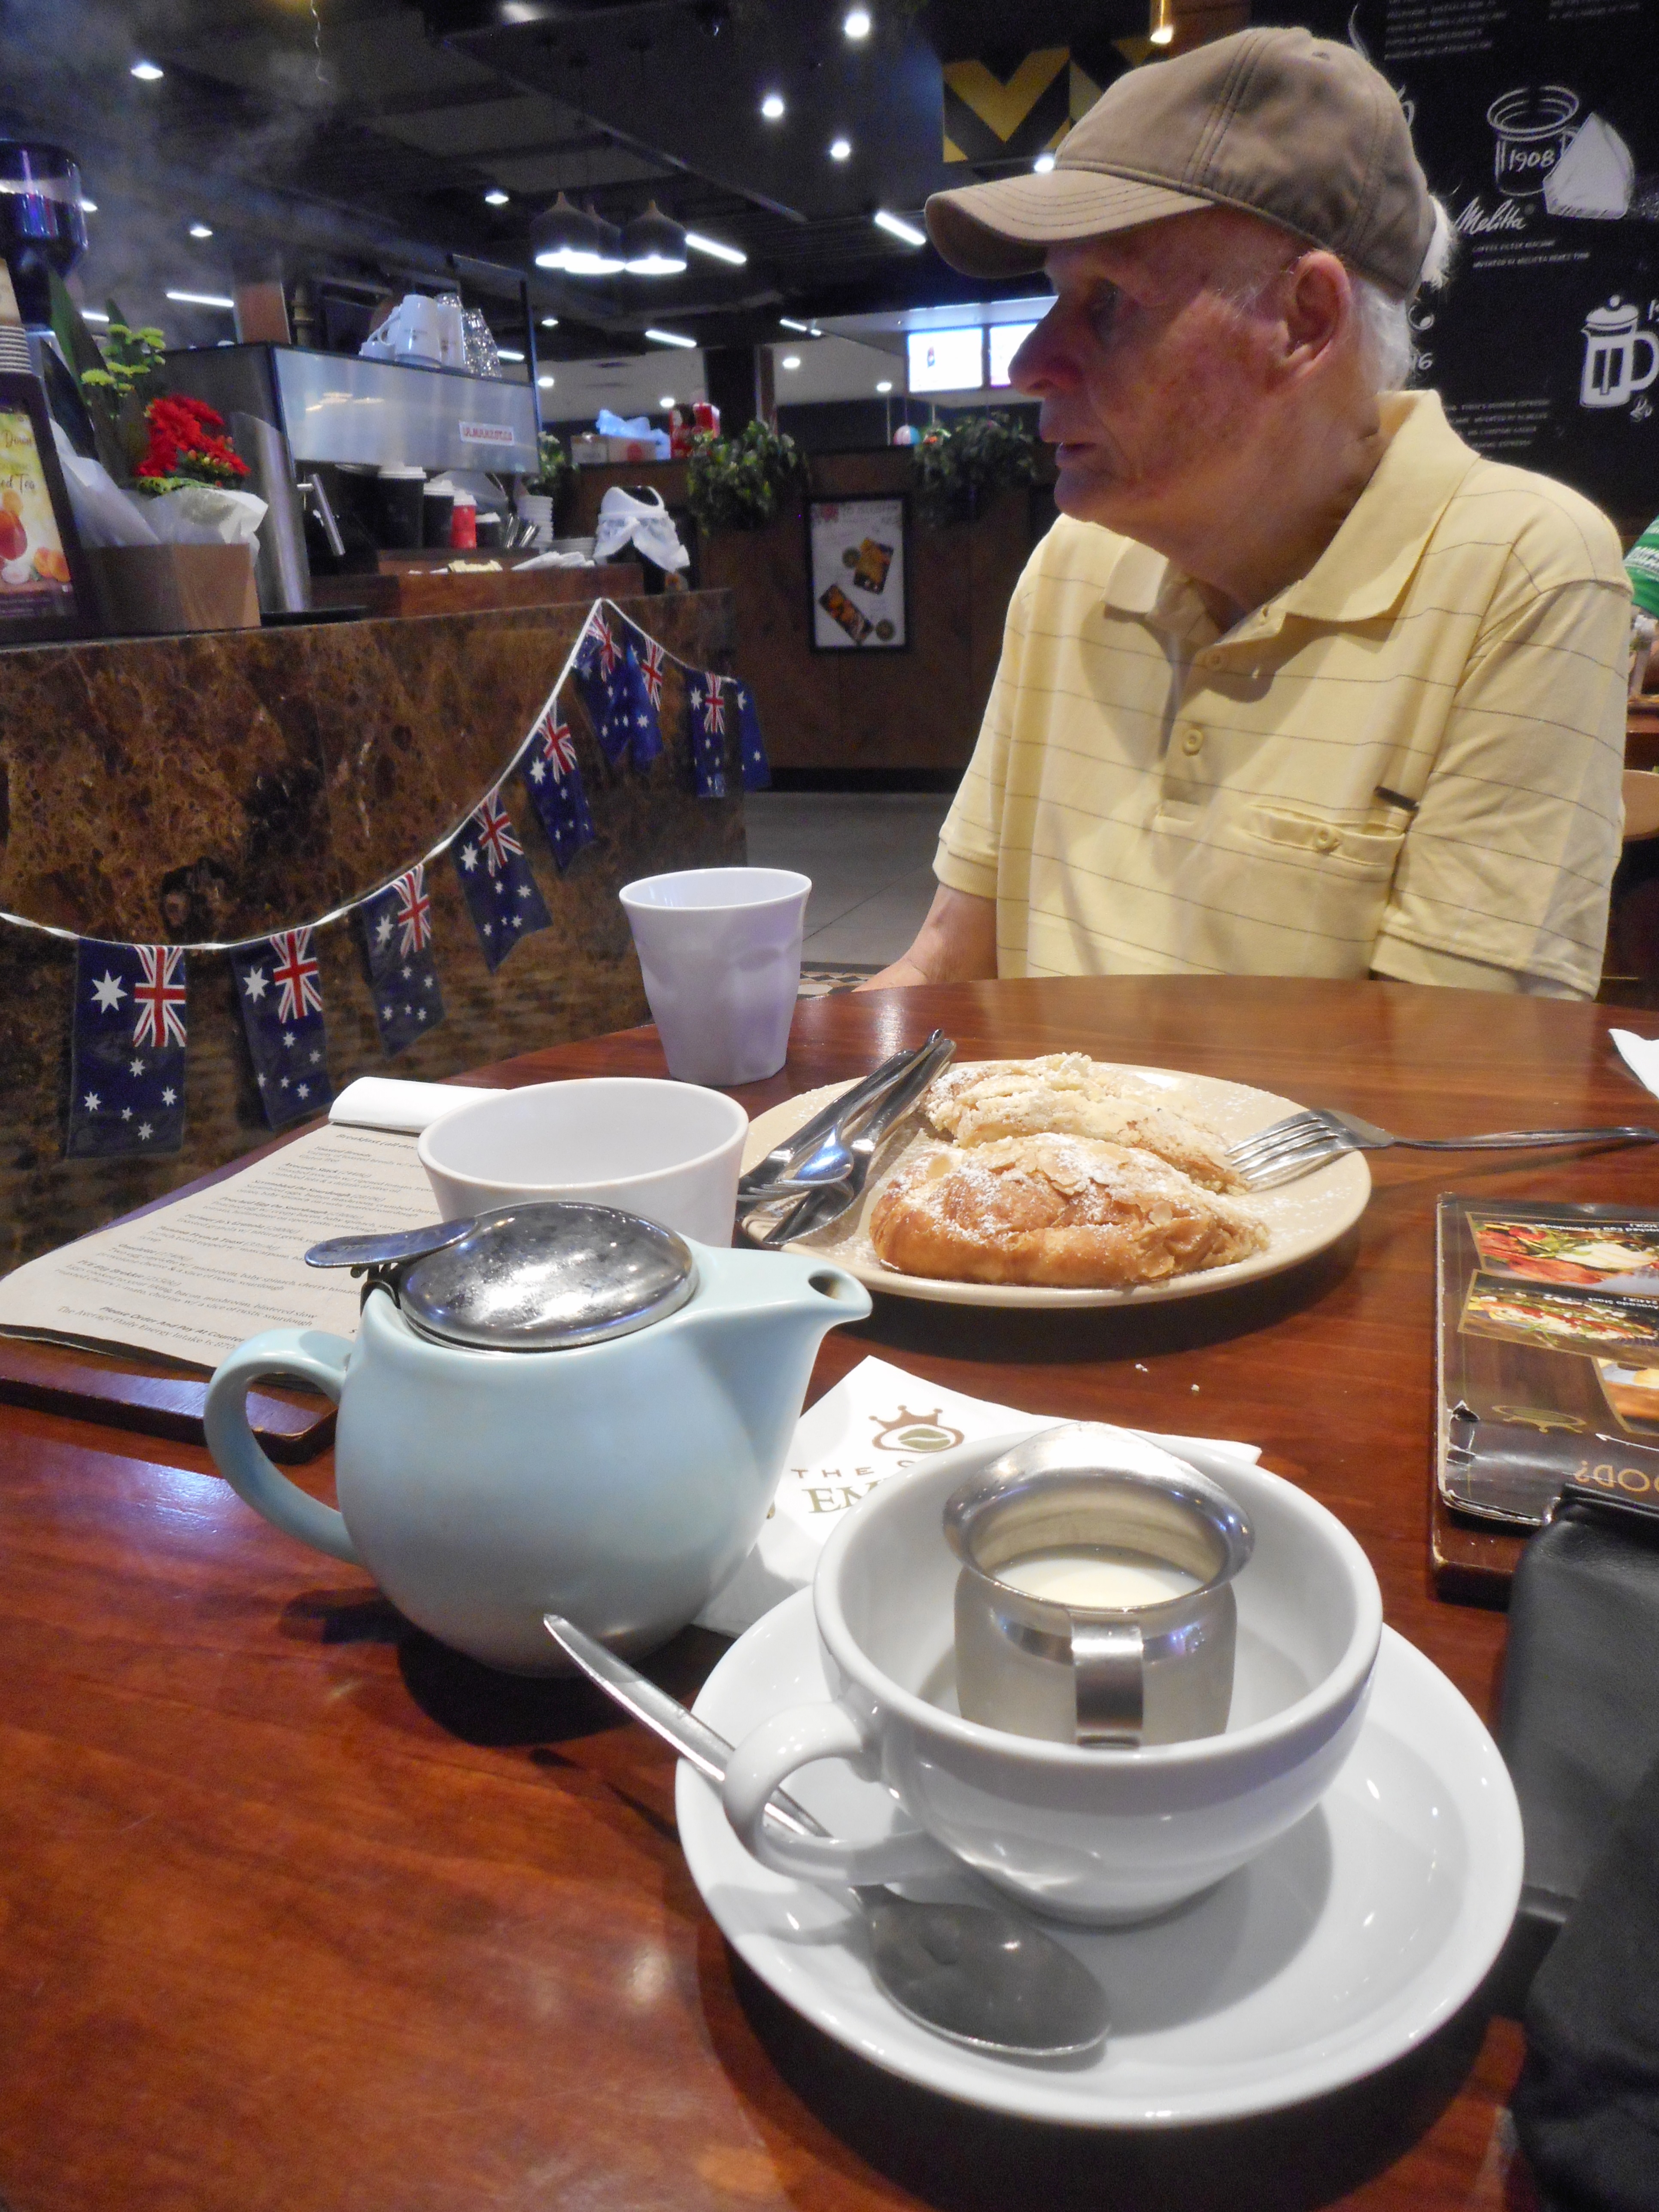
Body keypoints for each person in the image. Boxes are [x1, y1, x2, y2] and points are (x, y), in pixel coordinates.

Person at [864, 27, 1629, 999]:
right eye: (1054, 296)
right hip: (1038, 1109)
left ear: (1306, 320)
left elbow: (1454, 1075)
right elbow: (946, 964)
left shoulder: (1521, 573)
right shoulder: (1073, 563)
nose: (1029, 365)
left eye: (1106, 303)